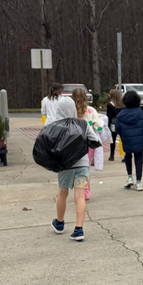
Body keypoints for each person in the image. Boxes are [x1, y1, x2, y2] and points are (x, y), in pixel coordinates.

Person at [50, 96, 98, 242]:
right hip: (82, 164)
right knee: (80, 196)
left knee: (62, 193)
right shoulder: (82, 124)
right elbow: (95, 140)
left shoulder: (55, 126)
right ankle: (79, 229)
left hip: (65, 165)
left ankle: (59, 223)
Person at [71, 88, 104, 201]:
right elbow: (100, 126)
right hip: (88, 141)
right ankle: (85, 191)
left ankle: (76, 189)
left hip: (73, 142)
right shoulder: (91, 110)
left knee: (75, 166)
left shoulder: (70, 111)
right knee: (86, 167)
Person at [116, 89, 143, 189]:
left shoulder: (120, 114)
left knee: (128, 157)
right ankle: (138, 182)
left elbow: (117, 128)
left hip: (126, 139)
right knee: (139, 160)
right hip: (138, 139)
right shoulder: (141, 113)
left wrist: (122, 135)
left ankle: (129, 177)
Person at [107, 88, 124, 161]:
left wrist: (107, 125)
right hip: (122, 123)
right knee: (123, 140)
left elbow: (109, 116)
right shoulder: (122, 104)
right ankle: (126, 155)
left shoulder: (110, 105)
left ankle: (112, 155)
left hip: (113, 123)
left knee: (113, 139)